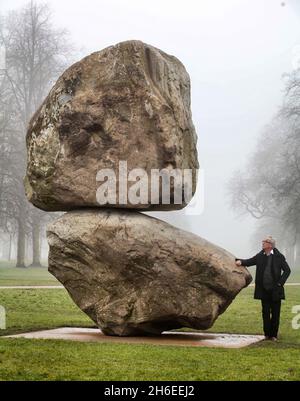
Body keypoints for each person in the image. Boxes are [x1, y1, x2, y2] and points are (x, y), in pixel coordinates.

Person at [235, 236, 291, 341]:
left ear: (270, 245)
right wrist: (239, 261)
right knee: (265, 313)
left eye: (264, 242)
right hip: (263, 290)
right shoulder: (260, 256)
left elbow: (287, 270)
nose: (262, 244)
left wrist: (280, 283)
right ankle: (267, 334)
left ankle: (273, 335)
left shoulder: (279, 257)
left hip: (276, 290)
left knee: (275, 313)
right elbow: (249, 261)